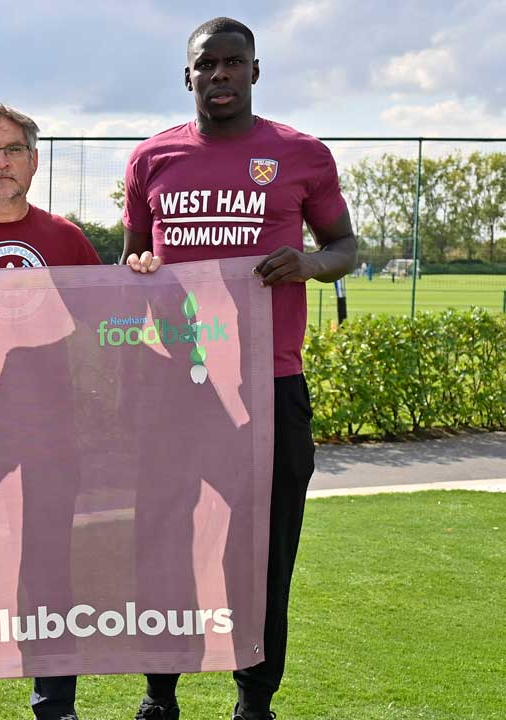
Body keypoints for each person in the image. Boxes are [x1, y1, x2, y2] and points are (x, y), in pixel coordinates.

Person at [121, 17, 357, 720]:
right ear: (187, 76)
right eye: (206, 65)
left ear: (255, 71)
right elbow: (135, 264)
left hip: (270, 383)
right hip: (174, 385)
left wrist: (310, 263)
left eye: (233, 63)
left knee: (261, 551)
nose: (219, 75)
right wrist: (135, 272)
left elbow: (344, 243)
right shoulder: (151, 158)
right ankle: (160, 693)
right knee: (163, 542)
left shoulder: (301, 154)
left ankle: (255, 698)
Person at [0, 102, 157, 720]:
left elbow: (107, 321)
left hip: (50, 434)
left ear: (34, 162)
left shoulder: (65, 239)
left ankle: (55, 704)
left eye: (12, 150)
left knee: (47, 569)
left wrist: (144, 277)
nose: (1, 162)